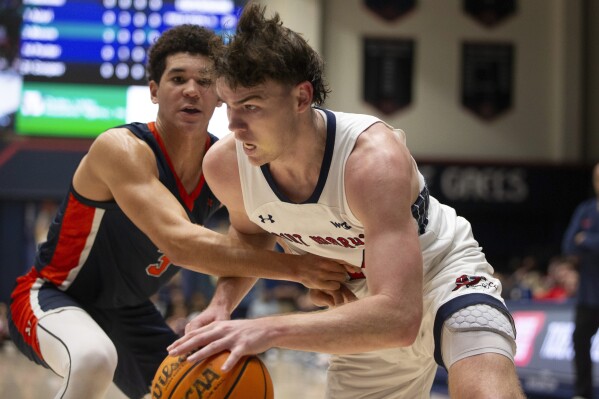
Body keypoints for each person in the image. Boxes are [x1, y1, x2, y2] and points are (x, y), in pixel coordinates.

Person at [168, 4, 525, 399]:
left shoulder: (371, 160)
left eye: (251, 106)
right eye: (229, 106)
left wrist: (266, 329)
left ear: (301, 97)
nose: (234, 126)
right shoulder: (226, 165)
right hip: (360, 305)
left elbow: (399, 315)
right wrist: (222, 305)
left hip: (442, 275)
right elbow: (252, 239)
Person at [7, 24, 351, 399]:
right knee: (93, 359)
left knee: (195, 389)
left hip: (130, 311)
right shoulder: (121, 148)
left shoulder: (226, 162)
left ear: (220, 94)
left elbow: (256, 229)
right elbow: (182, 244)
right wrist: (299, 268)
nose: (191, 90)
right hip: (55, 295)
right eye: (177, 78)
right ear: (154, 90)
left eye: (205, 81)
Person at [562, 162, 599, 399]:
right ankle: (582, 393)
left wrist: (586, 240)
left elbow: (581, 242)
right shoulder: (585, 210)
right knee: (580, 341)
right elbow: (568, 244)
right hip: (588, 295)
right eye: (597, 177)